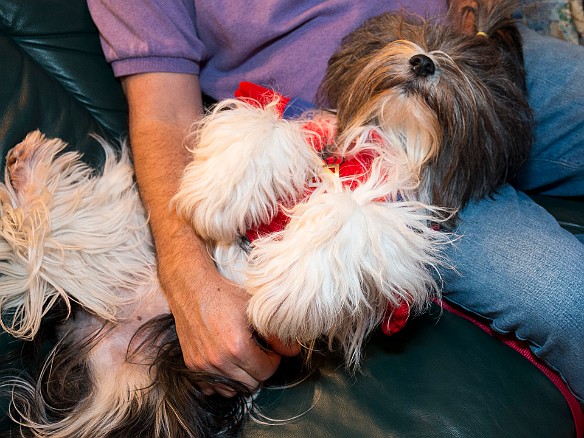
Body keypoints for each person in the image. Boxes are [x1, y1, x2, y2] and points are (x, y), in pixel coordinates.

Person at [86, 0, 584, 401]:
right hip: (334, 131)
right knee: (568, 296)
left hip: (473, 57)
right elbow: (164, 115)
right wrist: (189, 281)